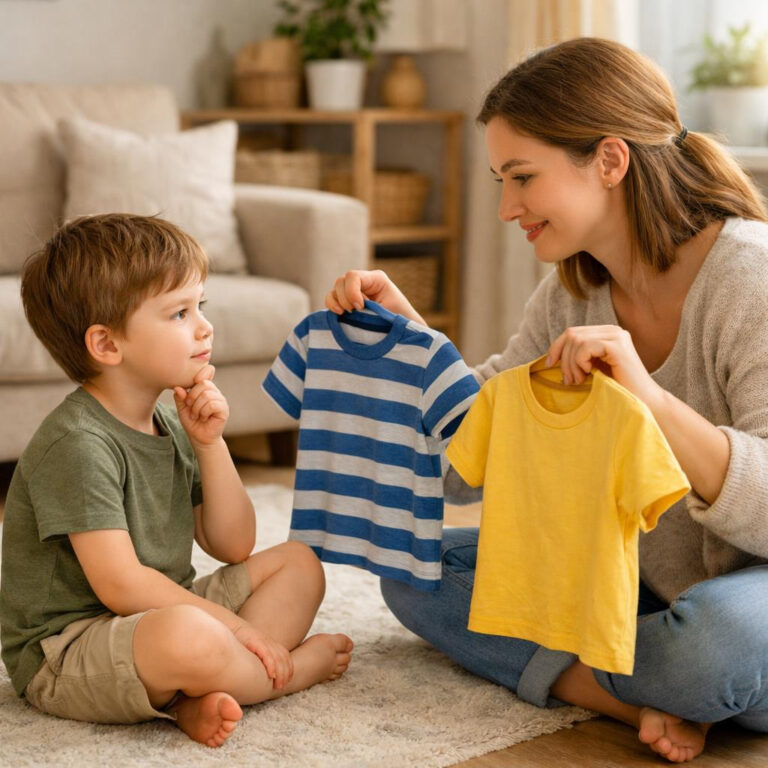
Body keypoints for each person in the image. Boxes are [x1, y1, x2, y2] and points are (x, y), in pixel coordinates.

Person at [325, 37, 768, 763]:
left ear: (610, 161)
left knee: (714, 648)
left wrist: (648, 397)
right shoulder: (576, 289)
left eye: (521, 177)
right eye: (503, 180)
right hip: (643, 592)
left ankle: (683, 683)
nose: (506, 208)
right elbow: (471, 449)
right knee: (412, 567)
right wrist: (410, 343)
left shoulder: (749, 278)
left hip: (746, 599)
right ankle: (637, 701)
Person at [0, 213, 353, 748]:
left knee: (299, 563)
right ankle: (289, 673)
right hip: (68, 650)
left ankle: (193, 693)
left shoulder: (170, 419)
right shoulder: (76, 443)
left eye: (200, 307)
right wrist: (239, 629)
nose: (204, 327)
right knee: (191, 635)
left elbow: (233, 544)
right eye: (179, 313)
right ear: (107, 345)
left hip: (159, 614)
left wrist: (210, 444)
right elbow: (122, 587)